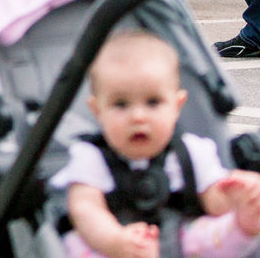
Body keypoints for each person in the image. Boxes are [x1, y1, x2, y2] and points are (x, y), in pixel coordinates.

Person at [52, 31, 260, 258]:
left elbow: (213, 202)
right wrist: (116, 241)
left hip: (182, 244)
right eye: (121, 104)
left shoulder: (192, 151)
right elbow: (86, 210)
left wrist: (236, 195)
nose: (138, 117)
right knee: (76, 244)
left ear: (177, 106)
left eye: (153, 102)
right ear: (97, 111)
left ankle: (246, 222)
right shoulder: (90, 157)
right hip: (115, 244)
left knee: (214, 228)